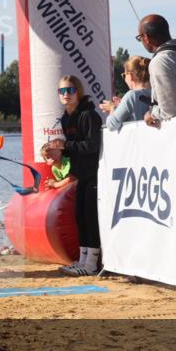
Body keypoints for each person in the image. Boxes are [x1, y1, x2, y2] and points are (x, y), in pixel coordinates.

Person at [53, 74, 103, 277]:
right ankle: (82, 261)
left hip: (94, 172)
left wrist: (65, 146)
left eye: (70, 90)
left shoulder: (89, 115)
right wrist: (57, 152)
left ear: (78, 92)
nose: (66, 94)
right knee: (80, 217)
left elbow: (92, 146)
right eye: (62, 91)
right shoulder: (66, 117)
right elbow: (73, 148)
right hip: (80, 174)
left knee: (91, 218)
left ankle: (91, 264)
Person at [136, 14, 176, 128]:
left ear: (146, 37)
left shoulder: (160, 62)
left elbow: (172, 109)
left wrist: (151, 114)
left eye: (140, 37)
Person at [100, 56, 152, 131]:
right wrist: (121, 104)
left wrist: (112, 108)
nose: (124, 78)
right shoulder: (158, 92)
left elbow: (111, 125)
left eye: (124, 75)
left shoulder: (132, 96)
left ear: (130, 76)